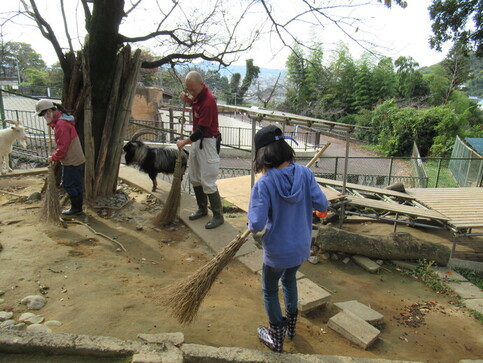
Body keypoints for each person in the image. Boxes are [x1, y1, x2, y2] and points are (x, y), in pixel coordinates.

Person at [248, 125, 328, 353]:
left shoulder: (264, 183)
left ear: (262, 154)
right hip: (301, 247)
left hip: (277, 252)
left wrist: (251, 214)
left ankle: (276, 336)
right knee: (290, 280)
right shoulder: (305, 173)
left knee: (270, 289)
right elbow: (322, 205)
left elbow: (256, 225)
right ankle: (291, 328)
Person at [176, 71, 224, 229]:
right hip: (197, 141)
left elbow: (201, 130)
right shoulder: (198, 96)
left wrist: (184, 142)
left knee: (208, 180)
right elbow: (197, 107)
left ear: (201, 84)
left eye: (193, 90)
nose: (191, 92)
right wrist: (189, 101)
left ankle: (218, 216)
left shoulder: (209, 101)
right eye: (188, 89)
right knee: (195, 176)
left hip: (208, 142)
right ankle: (202, 208)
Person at [35, 99, 86, 216]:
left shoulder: (61, 125)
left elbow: (63, 149)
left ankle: (76, 209)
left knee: (69, 184)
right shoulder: (63, 119)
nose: (44, 117)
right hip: (77, 157)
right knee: (77, 183)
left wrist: (53, 157)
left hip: (71, 159)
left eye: (43, 114)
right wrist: (52, 124)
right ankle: (78, 208)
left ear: (49, 111)